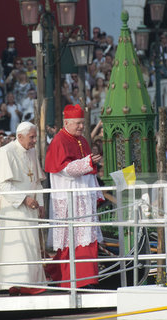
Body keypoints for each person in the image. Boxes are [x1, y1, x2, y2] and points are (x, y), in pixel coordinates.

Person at [0, 121, 46, 294]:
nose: (34, 141)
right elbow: (4, 185)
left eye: (35, 137)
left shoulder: (32, 151)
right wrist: (25, 199)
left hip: (30, 207)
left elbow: (36, 181)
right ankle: (15, 282)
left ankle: (31, 282)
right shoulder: (7, 152)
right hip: (13, 206)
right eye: (31, 137)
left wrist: (41, 203)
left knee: (30, 245)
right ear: (20, 136)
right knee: (17, 246)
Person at [45, 104, 104, 288]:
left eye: (82, 123)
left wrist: (97, 194)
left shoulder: (83, 141)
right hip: (70, 200)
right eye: (77, 123)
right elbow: (64, 169)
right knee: (72, 240)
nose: (80, 127)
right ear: (67, 122)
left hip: (84, 199)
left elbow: (88, 172)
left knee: (86, 239)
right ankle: (75, 282)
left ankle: (88, 280)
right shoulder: (59, 141)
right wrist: (87, 162)